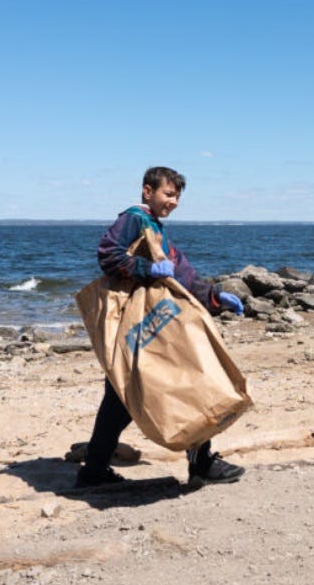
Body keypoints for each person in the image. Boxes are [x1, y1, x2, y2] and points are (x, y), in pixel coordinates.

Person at [76, 166, 247, 489]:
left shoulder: (154, 226)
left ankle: (94, 470)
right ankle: (201, 464)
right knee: (169, 384)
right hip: (139, 320)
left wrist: (213, 296)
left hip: (145, 323)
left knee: (121, 395)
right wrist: (147, 268)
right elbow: (108, 255)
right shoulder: (133, 219)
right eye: (168, 194)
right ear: (147, 191)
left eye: (177, 196)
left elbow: (179, 272)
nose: (174, 202)